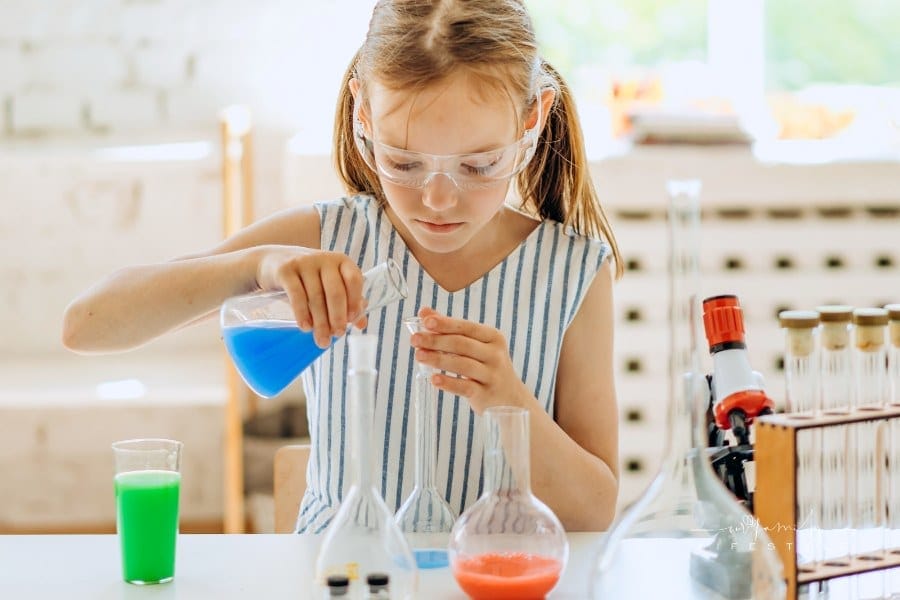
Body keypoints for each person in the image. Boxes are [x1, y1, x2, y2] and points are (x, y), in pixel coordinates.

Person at [62, 0, 622, 533]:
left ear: (532, 120)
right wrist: (257, 264)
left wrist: (508, 400)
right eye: (403, 162)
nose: (438, 199)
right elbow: (87, 325)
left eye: (478, 165)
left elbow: (594, 512)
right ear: (364, 115)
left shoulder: (571, 272)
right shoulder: (328, 238)